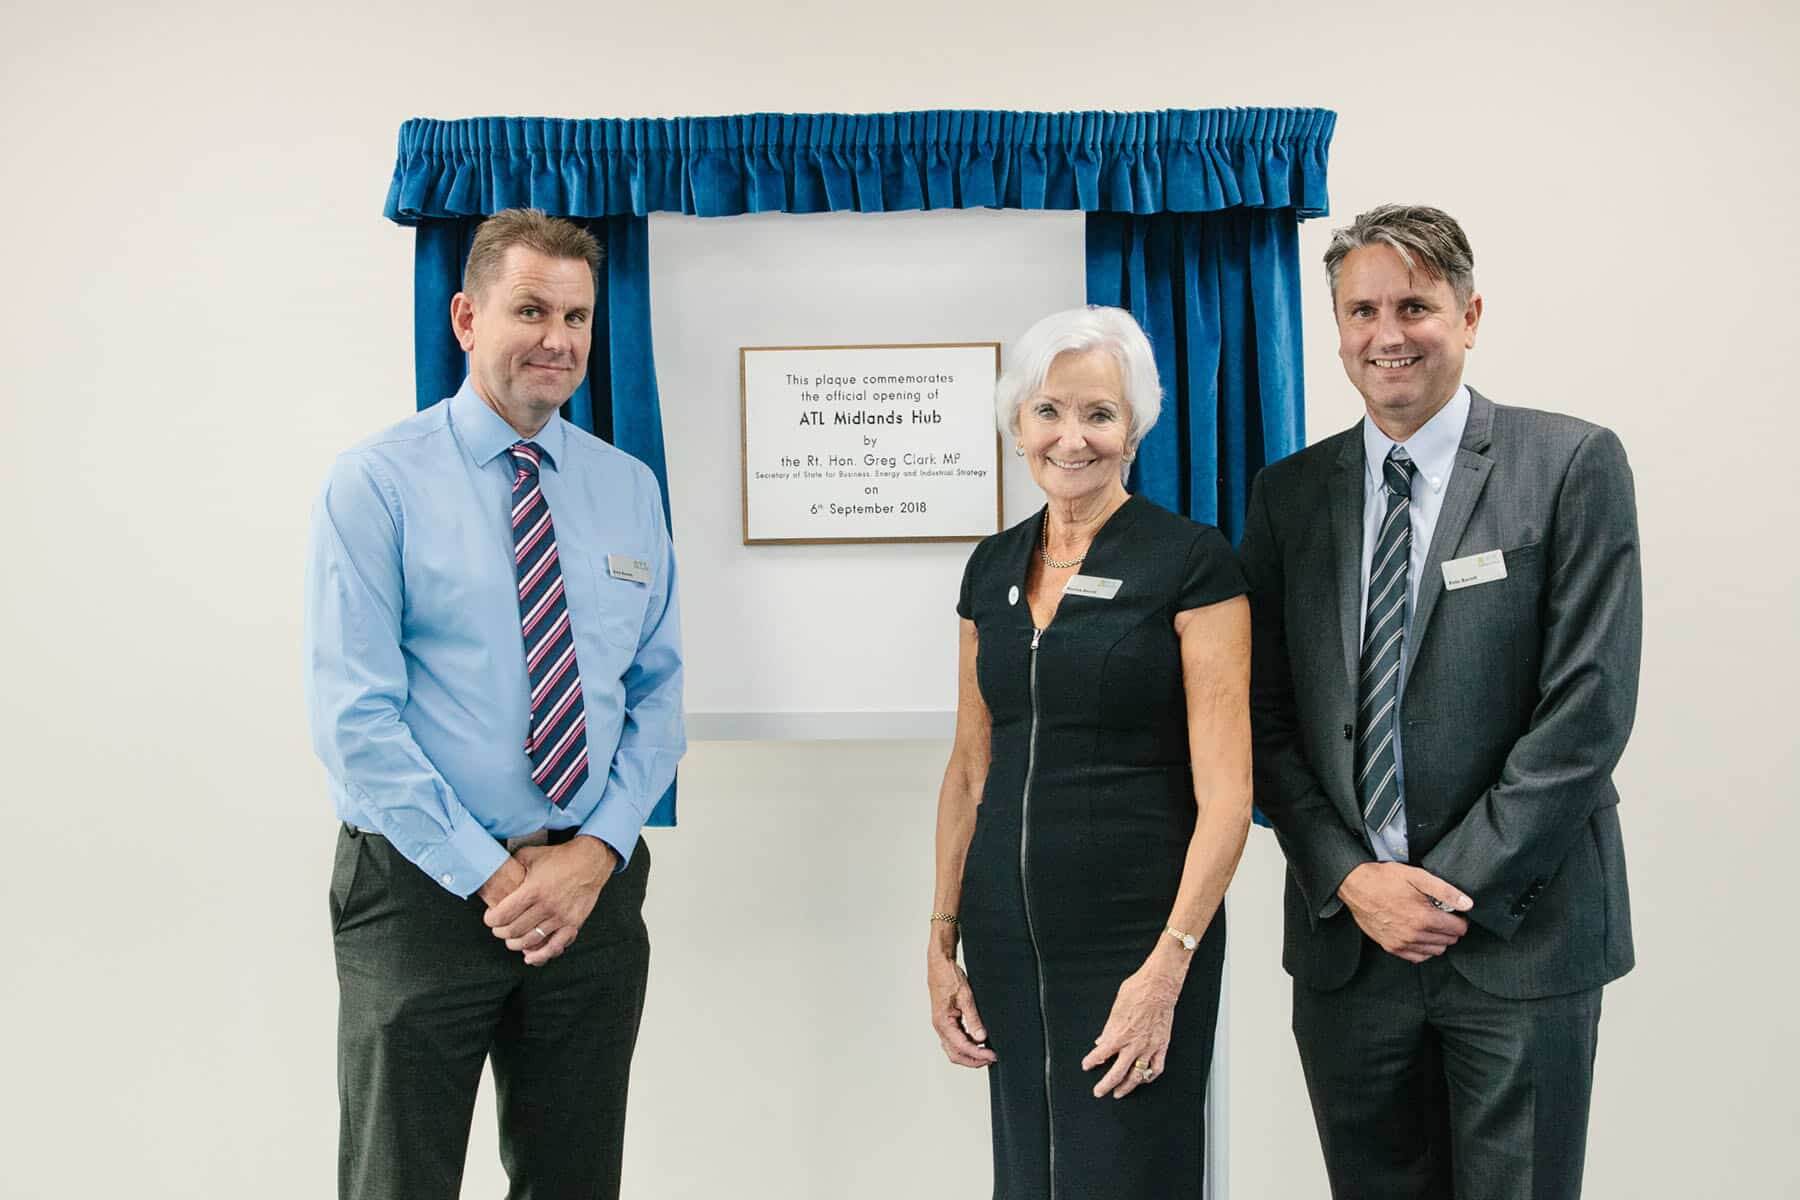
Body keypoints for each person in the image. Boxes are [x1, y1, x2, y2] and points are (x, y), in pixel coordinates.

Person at [1238, 204, 1641, 1199]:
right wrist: (1356, 881)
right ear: (1335, 330)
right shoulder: (1288, 496)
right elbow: (1266, 714)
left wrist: (1442, 889)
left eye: (1413, 305)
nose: (1387, 335)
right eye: (1361, 310)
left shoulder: (1570, 465)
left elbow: (1586, 708)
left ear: (1469, 314)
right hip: (1351, 948)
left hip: (1521, 936)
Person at [305, 208, 684, 1200]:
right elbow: (357, 721)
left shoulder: (628, 488)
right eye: (530, 309)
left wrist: (592, 856)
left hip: (591, 892)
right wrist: (493, 878)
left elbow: (658, 697)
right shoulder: (377, 484)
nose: (558, 338)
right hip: (421, 891)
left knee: (573, 1182)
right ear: (468, 317)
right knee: (400, 1181)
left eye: (577, 315)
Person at [925, 306, 1252, 1197]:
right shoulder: (989, 568)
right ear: (1017, 424)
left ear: (1135, 427)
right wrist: (942, 939)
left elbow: (1229, 797)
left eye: (1100, 415)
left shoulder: (1191, 561)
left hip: (1138, 938)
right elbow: (968, 770)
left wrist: (1169, 963)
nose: (1072, 438)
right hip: (1005, 936)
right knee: (1029, 1176)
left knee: (1129, 1170)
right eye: (1049, 412)